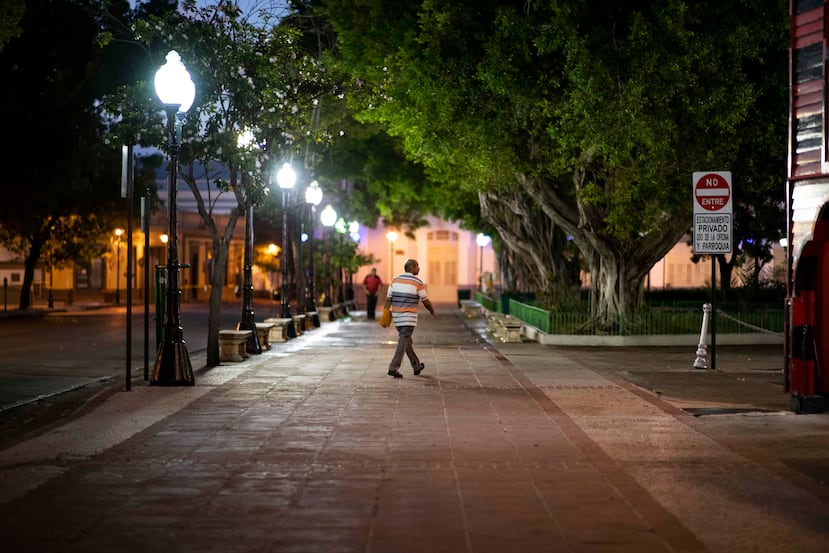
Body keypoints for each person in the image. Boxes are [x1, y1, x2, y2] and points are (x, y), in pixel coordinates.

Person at [383, 259, 435, 378]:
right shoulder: (417, 282)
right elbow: (425, 300)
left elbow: (388, 299)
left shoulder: (395, 280)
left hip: (397, 317)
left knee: (406, 341)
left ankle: (416, 366)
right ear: (413, 267)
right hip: (408, 318)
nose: (419, 269)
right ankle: (393, 367)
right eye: (418, 266)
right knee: (403, 341)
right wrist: (431, 310)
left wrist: (385, 314)